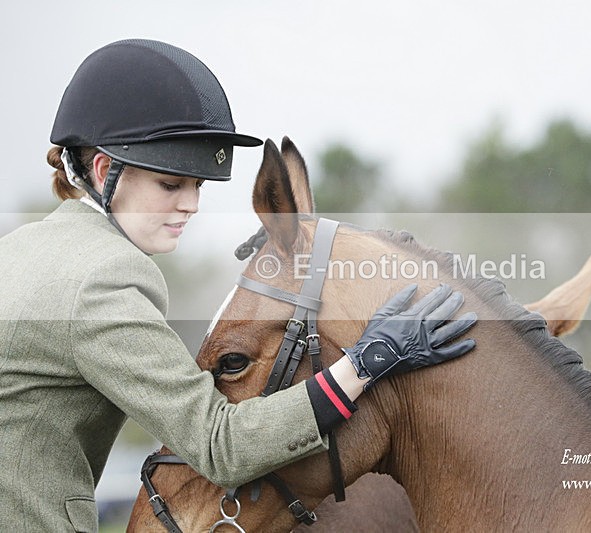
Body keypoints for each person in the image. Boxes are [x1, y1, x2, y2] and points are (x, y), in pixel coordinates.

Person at [0, 39, 477, 532]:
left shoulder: (17, 251)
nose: (191, 205)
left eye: (197, 187)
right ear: (105, 171)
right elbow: (219, 446)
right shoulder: (105, 276)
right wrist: (366, 363)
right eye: (170, 185)